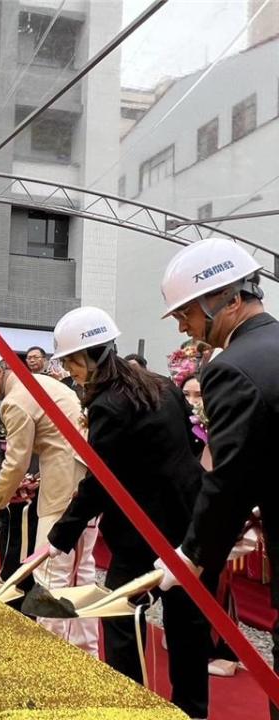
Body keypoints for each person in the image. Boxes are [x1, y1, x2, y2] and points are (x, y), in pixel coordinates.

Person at [46, 307, 211, 717]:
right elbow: (189, 448)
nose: (70, 370)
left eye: (71, 361)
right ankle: (192, 711)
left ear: (91, 356)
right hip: (190, 521)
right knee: (188, 624)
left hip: (144, 531)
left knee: (119, 614)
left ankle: (131, 706)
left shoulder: (110, 404)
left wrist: (60, 536)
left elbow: (101, 480)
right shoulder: (159, 385)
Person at [153, 238, 278, 710]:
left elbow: (228, 477)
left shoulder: (230, 368)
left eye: (186, 312)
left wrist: (191, 553)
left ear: (226, 298)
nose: (185, 326)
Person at [0, 339, 98, 655]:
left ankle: (50, 657)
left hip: (65, 479)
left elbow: (17, 460)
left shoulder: (13, 401)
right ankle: (86, 652)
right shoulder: (38, 382)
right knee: (83, 570)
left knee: (52, 571)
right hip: (87, 476)